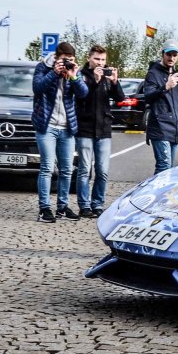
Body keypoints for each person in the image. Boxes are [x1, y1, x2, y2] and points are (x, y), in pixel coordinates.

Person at [32, 41, 89, 223]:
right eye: (65, 60)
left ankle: (62, 207)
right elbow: (37, 88)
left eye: (71, 60)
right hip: (46, 126)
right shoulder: (43, 67)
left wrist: (73, 77)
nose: (68, 63)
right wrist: (54, 73)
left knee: (66, 170)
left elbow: (83, 93)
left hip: (67, 127)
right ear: (57, 57)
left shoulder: (73, 70)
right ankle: (44, 209)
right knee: (47, 167)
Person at [75, 44, 125, 218]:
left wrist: (115, 82)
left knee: (102, 170)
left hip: (103, 128)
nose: (100, 63)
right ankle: (84, 205)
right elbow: (82, 97)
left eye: (103, 60)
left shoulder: (106, 76)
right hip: (85, 128)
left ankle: (97, 204)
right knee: (84, 169)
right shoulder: (81, 75)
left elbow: (121, 98)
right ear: (89, 58)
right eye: (97, 59)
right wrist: (95, 82)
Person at [142, 44, 178, 174]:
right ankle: (154, 194)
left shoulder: (177, 76)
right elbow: (148, 97)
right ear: (163, 54)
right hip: (160, 128)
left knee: (169, 170)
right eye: (169, 54)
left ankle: (163, 194)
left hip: (174, 128)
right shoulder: (153, 74)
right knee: (163, 166)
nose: (171, 58)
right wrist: (165, 87)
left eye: (174, 55)